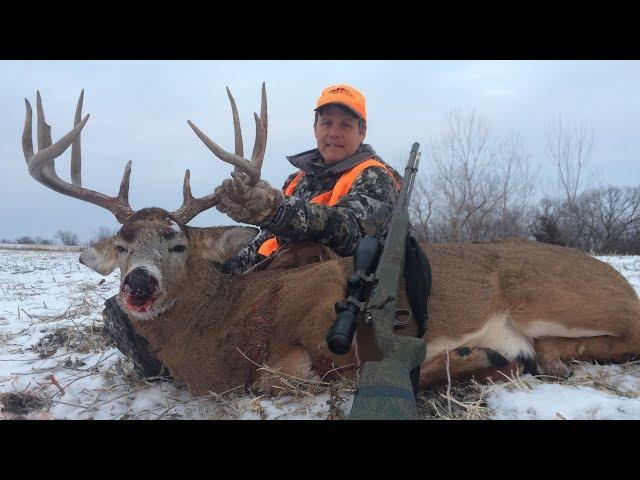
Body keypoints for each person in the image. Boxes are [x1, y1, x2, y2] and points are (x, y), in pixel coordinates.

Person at [217, 83, 402, 274]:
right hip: (283, 282)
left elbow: (350, 231)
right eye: (327, 123)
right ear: (315, 129)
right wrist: (221, 272)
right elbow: (269, 242)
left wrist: (276, 209)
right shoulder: (296, 182)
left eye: (345, 125)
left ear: (362, 132)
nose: (334, 133)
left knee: (307, 251)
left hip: (341, 291)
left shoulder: (375, 176)